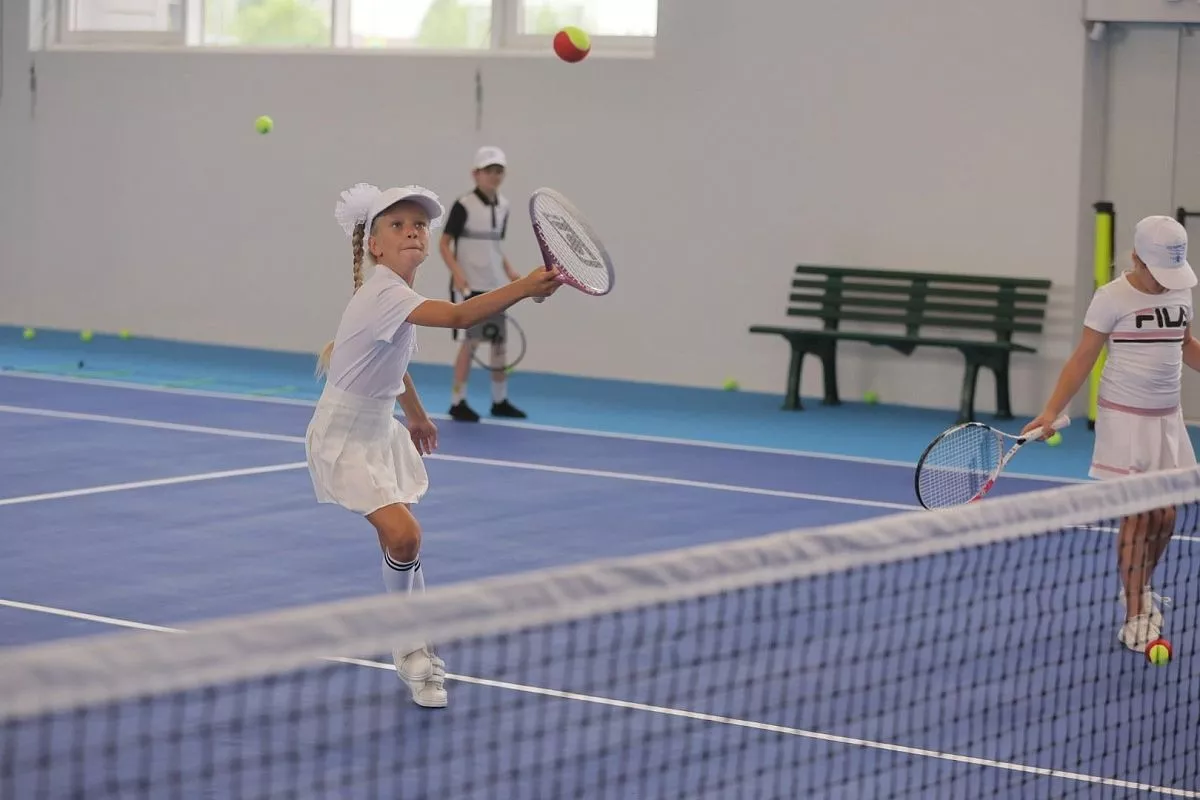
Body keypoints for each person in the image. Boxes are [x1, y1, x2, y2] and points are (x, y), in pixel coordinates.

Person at [307, 182, 561, 707]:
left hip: (378, 427)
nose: (412, 232)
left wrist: (417, 416)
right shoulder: (385, 292)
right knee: (405, 536)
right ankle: (409, 647)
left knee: (402, 544)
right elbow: (460, 317)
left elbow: (394, 365)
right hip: (343, 434)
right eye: (397, 225)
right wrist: (523, 286)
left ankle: (415, 649)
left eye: (419, 225)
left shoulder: (394, 296)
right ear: (374, 245)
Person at [1022, 215, 1199, 653]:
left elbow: (1185, 343)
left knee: (1166, 516)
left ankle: (1137, 589)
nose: (1165, 281)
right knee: (1137, 515)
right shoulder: (1111, 298)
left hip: (1167, 418)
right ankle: (1134, 616)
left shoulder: (1181, 288)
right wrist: (1051, 410)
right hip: (1124, 419)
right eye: (1157, 271)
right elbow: (1084, 356)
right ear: (1137, 259)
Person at [440, 146, 525, 422]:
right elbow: (444, 244)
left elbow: (496, 246)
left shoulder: (504, 206)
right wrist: (457, 274)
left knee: (499, 344)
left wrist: (510, 272)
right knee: (471, 344)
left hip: (496, 286)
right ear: (475, 174)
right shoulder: (463, 205)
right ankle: (457, 401)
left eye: (498, 171)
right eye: (488, 170)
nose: (494, 175)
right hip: (470, 287)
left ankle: (499, 401)